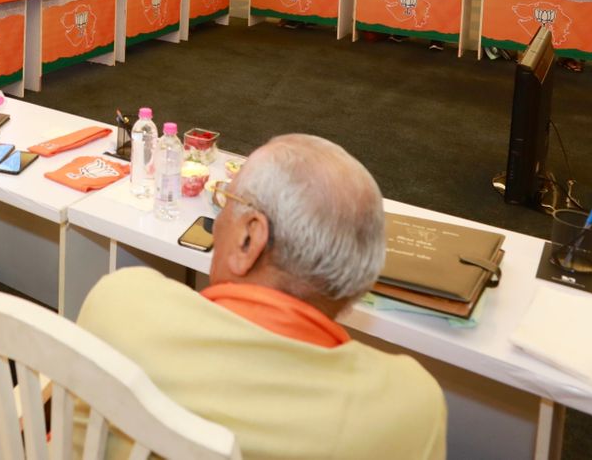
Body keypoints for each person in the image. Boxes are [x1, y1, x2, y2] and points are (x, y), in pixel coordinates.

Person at [76, 134, 446, 460]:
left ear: (249, 239)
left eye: (225, 201)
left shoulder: (122, 302)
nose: (217, 222)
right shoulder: (411, 407)